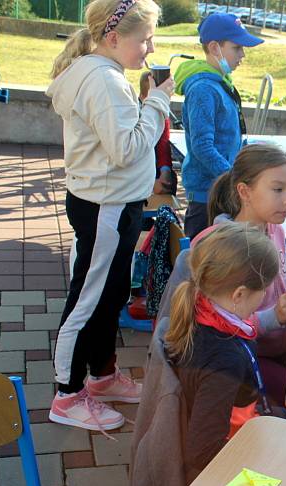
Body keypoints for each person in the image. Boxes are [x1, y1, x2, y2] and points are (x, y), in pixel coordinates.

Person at [46, 0, 173, 431]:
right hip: (106, 206)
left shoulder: (103, 75)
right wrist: (157, 103)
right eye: (145, 40)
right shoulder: (103, 81)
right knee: (89, 297)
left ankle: (100, 376)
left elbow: (117, 142)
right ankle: (66, 395)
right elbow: (126, 150)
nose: (149, 50)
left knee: (111, 292)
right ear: (114, 38)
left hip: (113, 203)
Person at [157, 143, 286, 407]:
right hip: (243, 355)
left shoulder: (276, 230)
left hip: (277, 345)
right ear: (244, 191)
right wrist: (274, 317)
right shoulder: (222, 248)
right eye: (278, 189)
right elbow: (214, 325)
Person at [165, 222, 280, 480]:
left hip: (244, 422)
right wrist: (255, 470)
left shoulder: (200, 307)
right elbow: (202, 450)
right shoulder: (224, 362)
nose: (266, 296)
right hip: (233, 459)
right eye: (265, 289)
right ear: (239, 294)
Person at [175, 13, 263, 238]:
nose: (242, 54)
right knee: (207, 266)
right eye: (237, 48)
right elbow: (202, 147)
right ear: (215, 48)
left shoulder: (220, 83)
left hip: (221, 191)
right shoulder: (204, 89)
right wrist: (234, 179)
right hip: (208, 197)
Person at [139, 71, 177, 195]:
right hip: (138, 174)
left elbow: (163, 143)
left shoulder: (161, 110)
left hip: (153, 168)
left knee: (170, 179)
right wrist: (151, 184)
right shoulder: (134, 113)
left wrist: (165, 171)